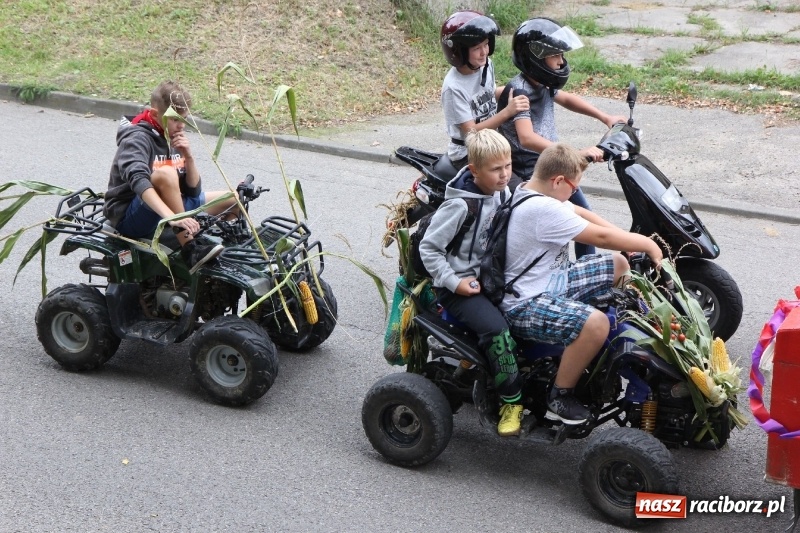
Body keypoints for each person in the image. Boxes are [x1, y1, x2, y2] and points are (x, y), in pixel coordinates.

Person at [499, 143, 663, 425]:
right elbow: (600, 238)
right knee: (595, 323)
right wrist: (648, 244)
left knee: (619, 264)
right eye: (574, 187)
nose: (574, 192)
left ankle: (636, 329)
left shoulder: (533, 188)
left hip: (552, 282)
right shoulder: (542, 209)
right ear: (558, 181)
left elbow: (584, 215)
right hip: (524, 303)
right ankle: (559, 396)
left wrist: (629, 242)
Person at [419, 129, 524, 437]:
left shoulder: (502, 192)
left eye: (508, 165)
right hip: (459, 288)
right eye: (496, 169)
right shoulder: (460, 206)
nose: (505, 174)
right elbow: (429, 249)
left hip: (490, 279)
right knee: (497, 331)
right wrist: (455, 283)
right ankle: (512, 402)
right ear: (474, 170)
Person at [497, 17, 627, 258]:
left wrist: (605, 117)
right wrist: (573, 154)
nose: (561, 61)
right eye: (555, 55)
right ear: (535, 57)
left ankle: (586, 265)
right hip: (531, 171)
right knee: (577, 221)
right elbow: (526, 138)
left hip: (551, 164)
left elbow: (566, 98)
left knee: (585, 217)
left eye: (562, 55)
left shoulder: (542, 82)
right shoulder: (521, 90)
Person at [104, 80, 235, 273]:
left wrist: (188, 157)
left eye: (184, 119)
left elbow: (193, 191)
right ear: (155, 114)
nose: (181, 126)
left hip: (170, 205)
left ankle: (228, 257)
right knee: (166, 173)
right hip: (131, 214)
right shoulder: (137, 138)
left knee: (233, 199)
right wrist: (174, 218)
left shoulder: (171, 135)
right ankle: (191, 249)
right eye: (175, 119)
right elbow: (138, 180)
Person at [440, 10, 530, 171]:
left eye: (486, 44)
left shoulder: (485, 66)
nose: (484, 52)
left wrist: (521, 87)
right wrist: (507, 112)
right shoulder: (453, 88)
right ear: (458, 52)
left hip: (489, 143)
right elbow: (471, 132)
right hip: (468, 153)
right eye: (477, 48)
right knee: (510, 181)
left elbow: (489, 94)